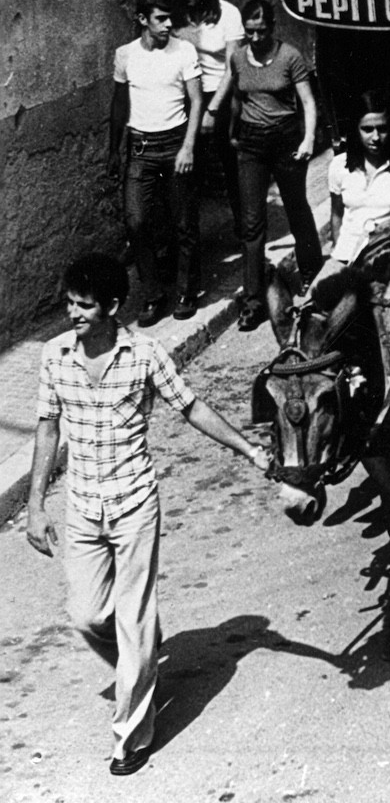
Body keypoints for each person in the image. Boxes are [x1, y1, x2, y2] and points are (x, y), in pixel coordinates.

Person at [25, 252, 269, 776]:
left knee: (133, 622)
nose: (74, 314)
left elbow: (193, 407)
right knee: (87, 615)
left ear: (112, 307)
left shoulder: (145, 355)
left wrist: (248, 449)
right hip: (83, 509)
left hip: (135, 504)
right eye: (70, 303)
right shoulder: (53, 355)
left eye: (84, 306)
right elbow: (48, 428)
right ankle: (139, 662)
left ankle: (131, 736)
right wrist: (35, 504)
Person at [206, 0, 323, 331]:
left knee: (296, 208)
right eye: (249, 32)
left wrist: (308, 139)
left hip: (286, 141)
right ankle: (254, 300)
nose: (255, 39)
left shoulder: (290, 56)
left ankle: (312, 274)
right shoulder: (239, 58)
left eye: (261, 31)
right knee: (252, 224)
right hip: (252, 146)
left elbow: (308, 102)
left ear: (273, 27)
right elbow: (237, 98)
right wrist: (231, 132)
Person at [108, 0, 203, 327]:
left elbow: (196, 101)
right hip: (141, 149)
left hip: (177, 144)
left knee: (183, 223)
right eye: (160, 19)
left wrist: (189, 146)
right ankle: (152, 294)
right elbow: (120, 105)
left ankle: (184, 291)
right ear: (142, 20)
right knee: (136, 222)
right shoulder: (125, 55)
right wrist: (113, 150)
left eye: (170, 19)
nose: (167, 26)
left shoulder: (184, 51)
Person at [172, 0, 244, 239]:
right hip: (189, 94)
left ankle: (244, 226)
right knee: (188, 167)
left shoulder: (227, 14)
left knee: (231, 162)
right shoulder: (177, 16)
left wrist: (213, 110)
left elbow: (232, 66)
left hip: (221, 92)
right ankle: (190, 237)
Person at [327, 93, 390, 265]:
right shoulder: (338, 166)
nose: (375, 137)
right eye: (367, 129)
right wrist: (337, 252)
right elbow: (337, 214)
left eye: (382, 129)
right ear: (355, 130)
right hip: (347, 255)